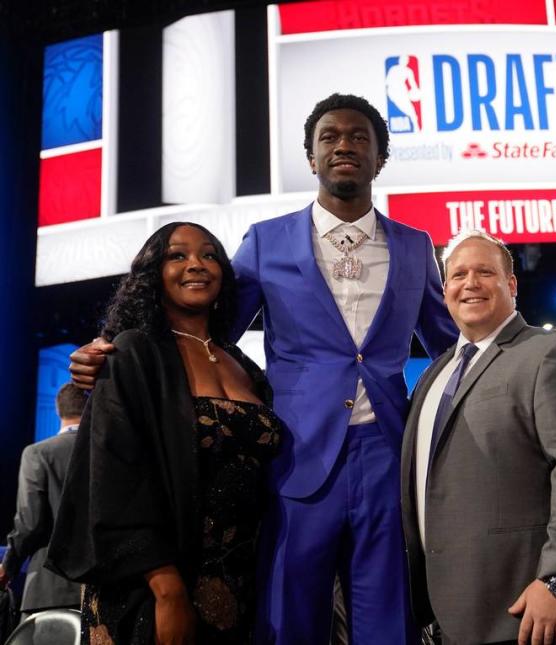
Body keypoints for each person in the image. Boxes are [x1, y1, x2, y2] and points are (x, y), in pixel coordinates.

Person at [67, 93, 457, 644]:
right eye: (330, 137)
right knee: (287, 619)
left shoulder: (416, 247)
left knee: (388, 621)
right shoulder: (267, 241)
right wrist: (114, 348)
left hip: (387, 453)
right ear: (311, 157)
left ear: (380, 157)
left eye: (359, 137)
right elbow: (207, 330)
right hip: (297, 453)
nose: (344, 144)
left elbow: (451, 348)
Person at [47, 223, 281, 643]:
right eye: (177, 255)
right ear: (153, 273)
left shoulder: (244, 365)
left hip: (238, 582)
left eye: (209, 255)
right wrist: (166, 588)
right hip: (154, 587)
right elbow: (114, 476)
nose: (196, 264)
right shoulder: (132, 351)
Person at [400, 230, 556, 645]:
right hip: (441, 616)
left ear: (511, 284)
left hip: (522, 614)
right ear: (444, 291)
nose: (470, 283)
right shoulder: (433, 375)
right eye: (458, 275)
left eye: (484, 272)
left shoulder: (548, 352)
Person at [0, 384, 84, 619]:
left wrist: (8, 567)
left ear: (59, 410)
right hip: (104, 592)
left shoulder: (38, 453)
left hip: (49, 591)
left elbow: (30, 523)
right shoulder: (110, 452)